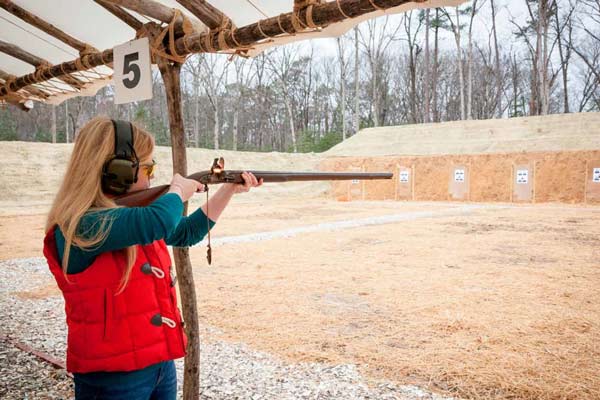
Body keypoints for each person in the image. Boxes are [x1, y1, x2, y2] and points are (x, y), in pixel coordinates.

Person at [42, 116, 262, 399]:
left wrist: (227, 189)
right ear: (117, 172)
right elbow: (158, 222)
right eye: (148, 168)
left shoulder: (135, 216)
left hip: (158, 363)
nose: (152, 176)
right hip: (113, 379)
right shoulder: (81, 223)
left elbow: (185, 233)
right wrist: (177, 192)